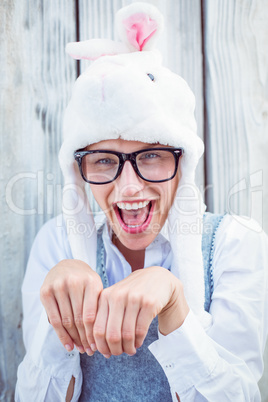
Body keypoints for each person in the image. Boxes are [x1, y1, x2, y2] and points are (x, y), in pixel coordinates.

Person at [16, 3, 268, 401]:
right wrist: (57, 321)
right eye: (103, 160)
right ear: (78, 170)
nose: (129, 187)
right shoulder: (56, 245)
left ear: (182, 161)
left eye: (151, 155)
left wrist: (174, 308)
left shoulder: (234, 243)